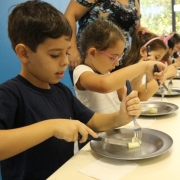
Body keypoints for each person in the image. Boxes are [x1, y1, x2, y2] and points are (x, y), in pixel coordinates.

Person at [0, 1, 143, 180]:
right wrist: (52, 127)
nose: (65, 62)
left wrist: (121, 116)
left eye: (67, 53)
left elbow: (93, 121)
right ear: (24, 53)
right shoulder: (9, 94)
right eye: (54, 55)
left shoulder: (61, 91)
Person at [73, 20, 167, 115]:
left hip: (117, 126)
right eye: (113, 57)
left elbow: (130, 94)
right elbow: (104, 85)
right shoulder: (81, 71)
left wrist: (142, 70)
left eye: (119, 57)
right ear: (93, 53)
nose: (117, 63)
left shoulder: (106, 73)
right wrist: (142, 66)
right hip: (98, 130)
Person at [65, 0, 141, 82]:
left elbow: (136, 29)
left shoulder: (134, 1)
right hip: (91, 59)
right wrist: (71, 49)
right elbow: (70, 14)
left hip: (119, 62)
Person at [123, 27, 178, 101]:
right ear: (143, 51)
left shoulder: (146, 70)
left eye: (159, 60)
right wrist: (167, 74)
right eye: (156, 57)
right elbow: (141, 96)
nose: (157, 62)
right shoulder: (128, 71)